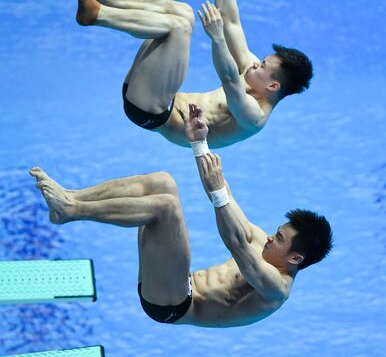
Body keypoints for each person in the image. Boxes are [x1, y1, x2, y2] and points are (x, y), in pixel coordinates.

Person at [29, 104, 333, 328]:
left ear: (295, 258)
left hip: (173, 304)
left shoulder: (275, 288)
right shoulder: (263, 244)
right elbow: (222, 188)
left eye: (279, 238)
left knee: (166, 207)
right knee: (162, 182)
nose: (269, 236)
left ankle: (72, 211)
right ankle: (70, 197)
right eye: (276, 231)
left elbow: (236, 245)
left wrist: (217, 193)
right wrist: (198, 142)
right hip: (171, 281)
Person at [74, 0, 313, 148]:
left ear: (273, 86)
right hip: (151, 92)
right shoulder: (254, 76)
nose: (254, 64)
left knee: (178, 28)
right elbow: (232, 23)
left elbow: (229, 80)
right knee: (184, 12)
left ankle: (96, 15)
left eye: (262, 66)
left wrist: (216, 37)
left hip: (151, 113)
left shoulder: (253, 117)